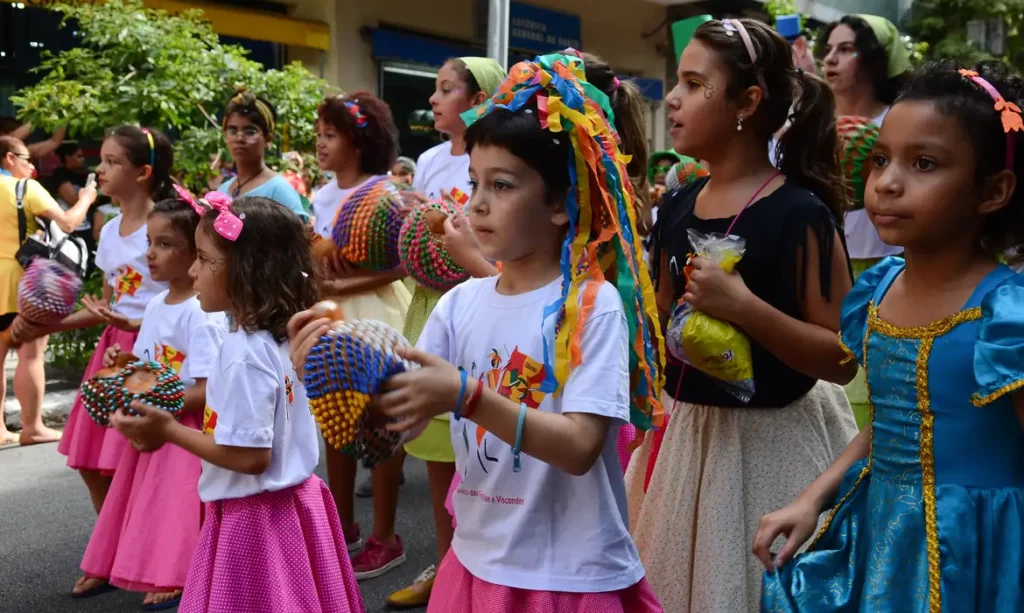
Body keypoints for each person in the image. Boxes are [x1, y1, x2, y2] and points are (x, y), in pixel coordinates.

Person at [293, 51, 665, 613]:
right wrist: (331, 363)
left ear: (563, 202)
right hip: (473, 561)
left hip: (565, 575)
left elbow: (581, 447)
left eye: (504, 185)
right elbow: (400, 415)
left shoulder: (592, 305)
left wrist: (467, 395)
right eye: (474, 182)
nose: (478, 203)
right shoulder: (460, 304)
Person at [757, 60, 1024, 612]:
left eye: (924, 163)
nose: (887, 182)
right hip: (880, 532)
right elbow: (891, 424)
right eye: (881, 160)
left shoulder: (1007, 314)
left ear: (993, 191)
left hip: (977, 548)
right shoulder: (877, 289)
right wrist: (812, 499)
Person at [628, 19, 859, 612]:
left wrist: (744, 309)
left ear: (747, 103)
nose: (673, 98)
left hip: (772, 447)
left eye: (693, 83)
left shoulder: (800, 213)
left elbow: (839, 358)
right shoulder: (677, 204)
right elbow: (657, 320)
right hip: (684, 442)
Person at [111, 196, 365, 613]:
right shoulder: (281, 335)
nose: (193, 270)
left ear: (248, 270)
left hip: (255, 519)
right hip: (296, 506)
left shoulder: (243, 353)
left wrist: (168, 431)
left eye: (206, 260)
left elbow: (249, 457)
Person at [386, 56, 505, 608]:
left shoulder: (500, 157)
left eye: (445, 89)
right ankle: (446, 564)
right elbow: (424, 231)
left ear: (480, 98)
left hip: (482, 299)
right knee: (438, 448)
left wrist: (443, 228)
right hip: (432, 304)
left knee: (483, 453)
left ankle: (488, 570)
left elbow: (486, 244)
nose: (433, 99)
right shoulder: (431, 158)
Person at [74, 196, 226, 609]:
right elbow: (149, 365)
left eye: (165, 244)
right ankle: (152, 566)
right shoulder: (157, 305)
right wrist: (123, 364)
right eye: (149, 243)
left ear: (195, 253)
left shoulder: (201, 311)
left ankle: (179, 572)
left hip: (185, 426)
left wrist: (161, 408)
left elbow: (209, 386)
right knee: (152, 498)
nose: (150, 254)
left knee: (178, 502)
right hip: (160, 420)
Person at [310, 92, 412, 581]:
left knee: (382, 424)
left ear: (358, 141)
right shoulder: (321, 195)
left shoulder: (382, 192)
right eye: (320, 134)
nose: (321, 143)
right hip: (331, 316)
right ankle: (343, 525)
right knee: (336, 419)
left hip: (376, 317)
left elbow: (399, 264)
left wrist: (340, 283)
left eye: (331, 135)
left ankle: (385, 535)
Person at [47, 126, 173, 513]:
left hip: (151, 351)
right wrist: (49, 324)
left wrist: (141, 324)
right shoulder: (110, 227)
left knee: (128, 460)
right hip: (112, 349)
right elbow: (106, 304)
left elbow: (189, 293)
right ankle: (111, 548)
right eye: (101, 160)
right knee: (90, 461)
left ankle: (129, 551)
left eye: (111, 161)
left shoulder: (166, 225)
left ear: (143, 173)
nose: (98, 169)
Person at [0, 136, 97, 446]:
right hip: (22, 283)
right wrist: (86, 198)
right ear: (8, 159)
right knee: (30, 355)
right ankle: (32, 427)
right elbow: (68, 223)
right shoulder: (25, 188)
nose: (31, 165)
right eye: (26, 158)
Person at [819, 14, 911, 276]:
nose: (830, 59)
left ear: (875, 58)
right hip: (826, 260)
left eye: (846, 49)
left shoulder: (901, 121)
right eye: (828, 50)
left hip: (892, 262)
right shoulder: (811, 123)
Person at [217, 88, 308, 222]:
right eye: (232, 130)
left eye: (250, 131)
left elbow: (299, 238)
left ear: (268, 139)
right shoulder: (223, 190)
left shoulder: (278, 189)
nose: (239, 138)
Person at [49, 142, 104, 273]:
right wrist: (88, 195)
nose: (83, 159)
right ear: (68, 158)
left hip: (85, 227)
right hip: (68, 228)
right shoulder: (60, 174)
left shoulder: (80, 175)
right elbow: (72, 198)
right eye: (78, 156)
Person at [0, 118, 67, 160]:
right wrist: (39, 116)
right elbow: (10, 140)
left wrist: (61, 116)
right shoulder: (5, 144)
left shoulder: (24, 152)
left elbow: (54, 142)